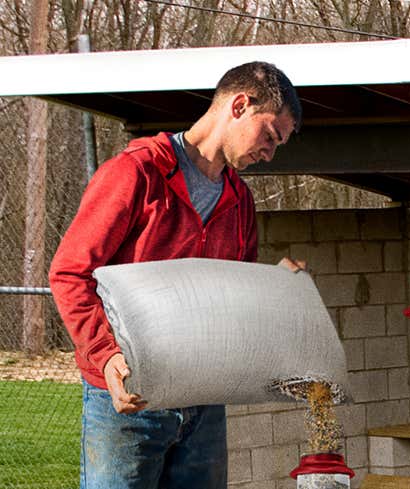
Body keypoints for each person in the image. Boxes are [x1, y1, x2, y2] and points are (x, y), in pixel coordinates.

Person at [49, 61, 303, 489]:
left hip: (202, 403)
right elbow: (71, 273)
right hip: (130, 401)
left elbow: (230, 296)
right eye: (270, 136)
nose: (269, 153)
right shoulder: (137, 174)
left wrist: (274, 289)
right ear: (239, 105)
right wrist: (107, 355)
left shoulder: (240, 201)